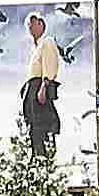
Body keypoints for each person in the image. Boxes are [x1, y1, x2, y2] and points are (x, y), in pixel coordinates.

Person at [19, 12, 64, 162]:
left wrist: (44, 87)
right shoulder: (37, 47)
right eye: (28, 26)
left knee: (42, 126)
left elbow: (50, 66)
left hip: (40, 89)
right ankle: (36, 157)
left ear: (40, 24)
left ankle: (44, 158)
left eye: (33, 24)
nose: (30, 28)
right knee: (34, 128)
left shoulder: (47, 42)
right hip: (32, 89)